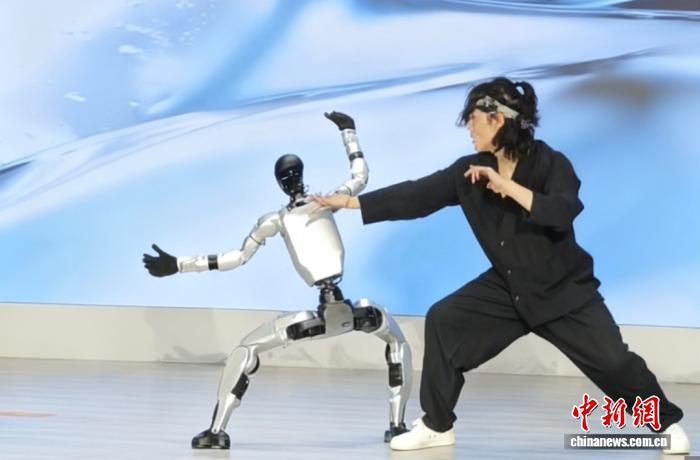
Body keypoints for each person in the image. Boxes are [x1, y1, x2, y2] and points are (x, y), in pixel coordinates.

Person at [312, 77, 690, 454]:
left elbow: (561, 212)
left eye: (473, 118)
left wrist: (505, 185)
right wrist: (350, 203)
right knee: (444, 319)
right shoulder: (469, 171)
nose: (468, 127)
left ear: (497, 118)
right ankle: (437, 425)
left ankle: (666, 425)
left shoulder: (551, 163)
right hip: (509, 288)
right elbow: (417, 195)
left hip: (563, 290)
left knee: (614, 364)